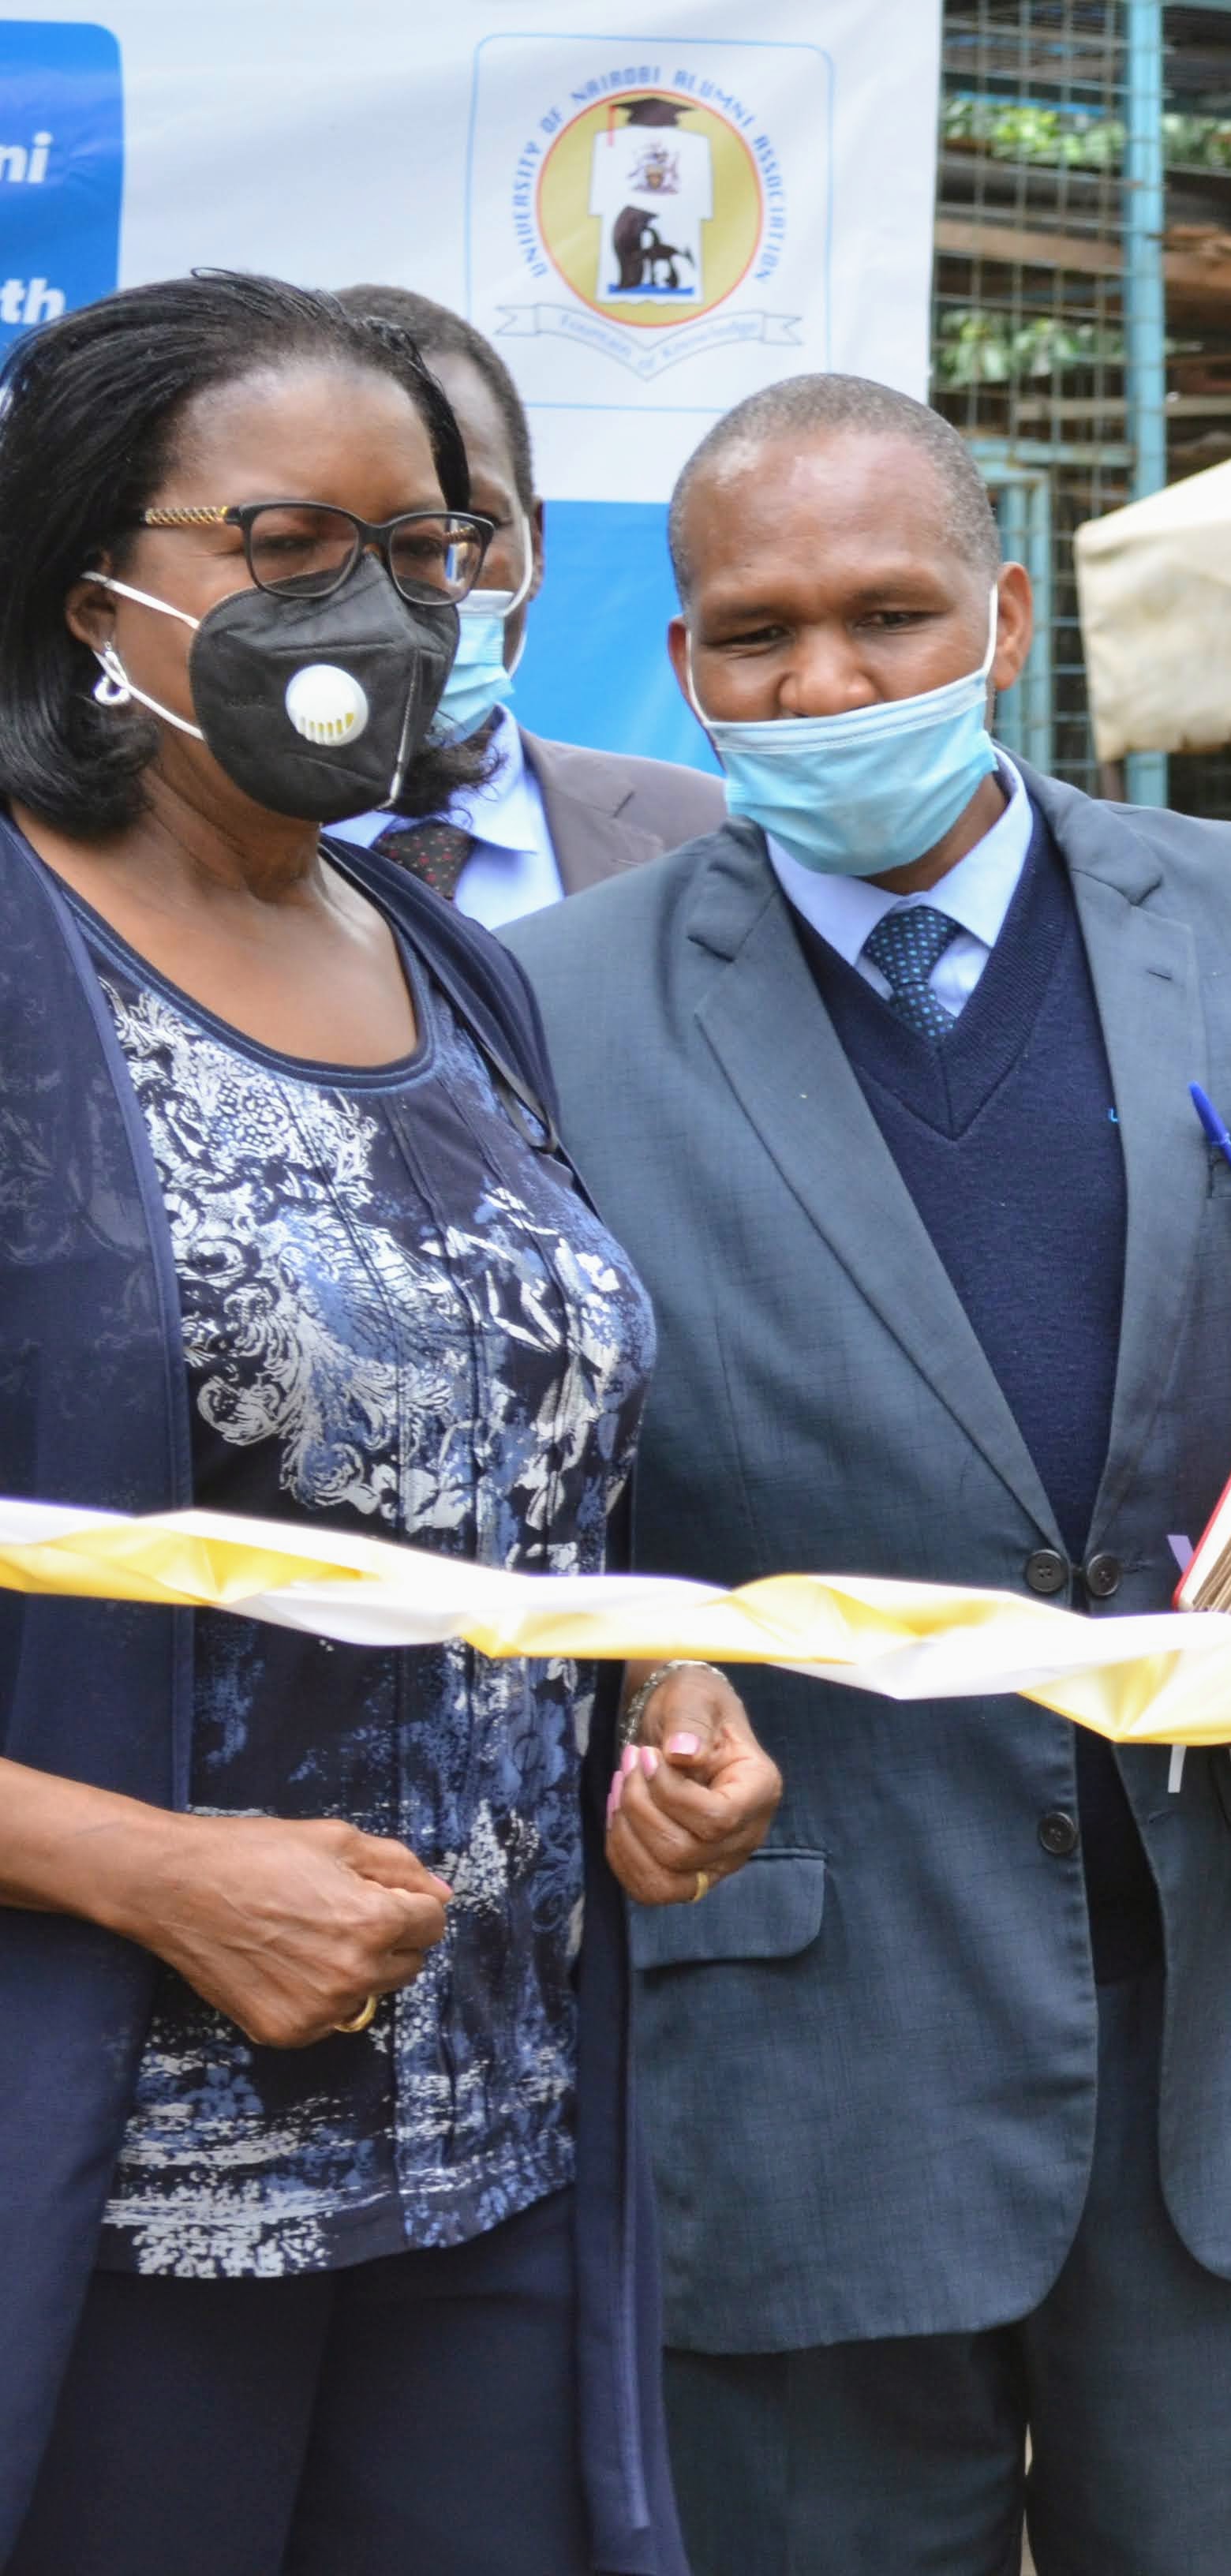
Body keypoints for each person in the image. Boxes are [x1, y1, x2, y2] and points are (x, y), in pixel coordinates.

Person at [506, 375, 1231, 2576]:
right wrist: (630, 1705)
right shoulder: (552, 1011)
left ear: (1002, 619)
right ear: (682, 664)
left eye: (887, 617)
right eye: (756, 637)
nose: (827, 684)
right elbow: (533, 1485)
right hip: (807, 2024)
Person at [0, 271, 779, 2576]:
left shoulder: (454, 974)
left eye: (428, 550)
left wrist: (666, 1673)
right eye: (289, 546)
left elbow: (539, 1453)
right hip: (120, 2204)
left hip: (491, 2161)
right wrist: (143, 1868)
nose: (379, 609)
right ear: (87, 582)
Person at [323, 286, 724, 921]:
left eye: (465, 525)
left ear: (536, 544)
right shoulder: (158, 868)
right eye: (339, 534)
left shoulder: (711, 840)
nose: (407, 585)